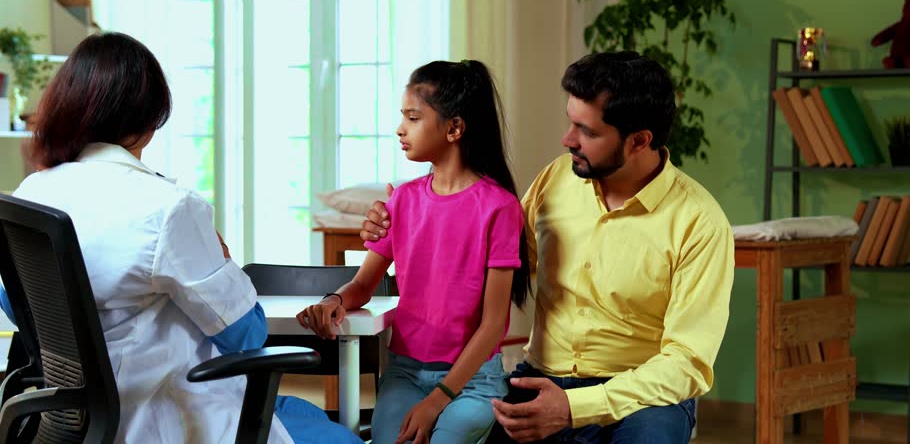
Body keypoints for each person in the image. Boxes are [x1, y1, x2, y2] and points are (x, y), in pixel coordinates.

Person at [0, 32, 361, 444]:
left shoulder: (33, 192)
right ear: (151, 120)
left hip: (70, 421)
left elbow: (15, 304)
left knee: (303, 412)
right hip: (169, 420)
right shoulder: (168, 208)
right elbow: (246, 334)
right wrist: (223, 260)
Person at [359, 51, 735, 443]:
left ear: (639, 141)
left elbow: (686, 364)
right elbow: (482, 258)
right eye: (570, 122)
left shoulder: (699, 223)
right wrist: (399, 226)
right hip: (539, 382)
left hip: (638, 401)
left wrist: (575, 408)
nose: (567, 139)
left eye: (586, 131)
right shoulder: (557, 180)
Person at [298, 60, 531, 444]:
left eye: (413, 117)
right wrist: (334, 300)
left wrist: (437, 400)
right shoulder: (402, 201)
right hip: (405, 372)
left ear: (454, 128)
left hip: (472, 380)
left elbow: (492, 326)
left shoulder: (499, 207)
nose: (400, 129)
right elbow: (363, 283)